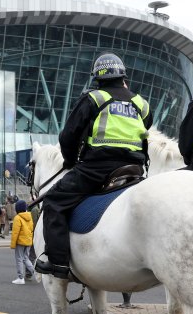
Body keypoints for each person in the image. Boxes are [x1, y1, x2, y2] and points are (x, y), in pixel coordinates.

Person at [36, 53, 153, 279]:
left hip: (98, 169)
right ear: (123, 76)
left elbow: (69, 136)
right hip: (134, 168)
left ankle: (58, 262)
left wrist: (70, 161)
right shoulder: (141, 103)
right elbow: (146, 126)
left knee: (54, 201)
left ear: (97, 79)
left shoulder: (94, 99)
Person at [10, 199, 36, 284]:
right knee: (26, 258)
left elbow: (15, 233)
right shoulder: (29, 216)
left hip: (20, 241)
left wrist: (13, 244)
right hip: (28, 241)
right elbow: (31, 229)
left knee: (19, 259)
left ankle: (20, 278)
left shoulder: (17, 218)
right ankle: (34, 271)